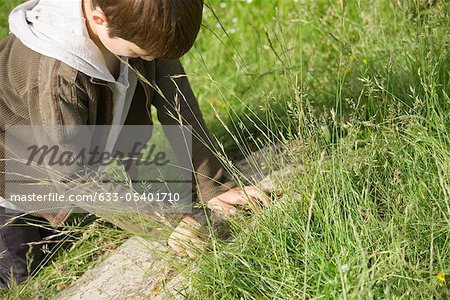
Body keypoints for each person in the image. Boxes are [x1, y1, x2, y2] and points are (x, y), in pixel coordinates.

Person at [0, 0, 269, 288]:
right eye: (143, 54)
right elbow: (73, 177)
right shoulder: (55, 80)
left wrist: (214, 185)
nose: (152, 61)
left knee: (80, 217)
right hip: (16, 174)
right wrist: (165, 222)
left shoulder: (141, 20)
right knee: (21, 270)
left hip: (70, 154)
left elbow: (176, 101)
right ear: (99, 18)